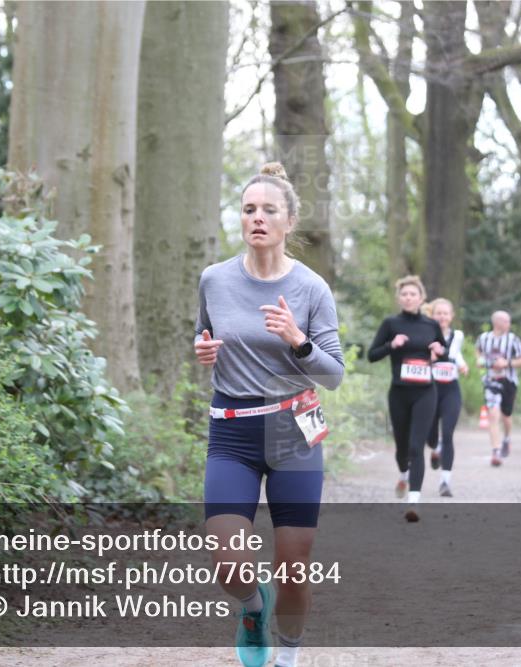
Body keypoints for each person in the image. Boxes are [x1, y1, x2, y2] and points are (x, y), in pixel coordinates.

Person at [194, 162, 344, 667]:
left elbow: (334, 374)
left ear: (289, 221)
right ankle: (253, 608)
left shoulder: (311, 289)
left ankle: (289, 656)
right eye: (249, 209)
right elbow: (203, 332)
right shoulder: (214, 279)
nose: (257, 217)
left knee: (294, 566)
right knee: (228, 564)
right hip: (231, 432)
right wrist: (203, 349)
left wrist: (298, 341)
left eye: (269, 210)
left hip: (293, 432)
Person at [368, 275, 446, 522]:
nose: (408, 298)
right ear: (399, 298)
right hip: (399, 393)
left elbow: (441, 354)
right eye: (404, 294)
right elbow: (372, 355)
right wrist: (393, 344)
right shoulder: (391, 323)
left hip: (425, 392)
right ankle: (403, 475)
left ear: (421, 298)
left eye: (413, 294)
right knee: (402, 448)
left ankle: (414, 502)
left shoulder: (431, 324)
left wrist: (438, 351)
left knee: (416, 446)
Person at [425, 298, 469, 497]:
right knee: (431, 435)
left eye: (445, 313)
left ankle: (445, 482)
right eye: (438, 313)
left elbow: (455, 354)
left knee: (449, 433)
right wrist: (430, 357)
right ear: (432, 316)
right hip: (430, 389)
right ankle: (435, 448)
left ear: (451, 316)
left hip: (451, 389)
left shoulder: (457, 335)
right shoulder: (425, 333)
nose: (442, 317)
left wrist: (462, 364)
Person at [475, 311, 521, 467]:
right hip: (491, 381)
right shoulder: (484, 338)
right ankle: (496, 451)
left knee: (506, 415)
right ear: (497, 322)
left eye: (509, 321)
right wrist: (483, 362)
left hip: (509, 381)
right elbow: (478, 354)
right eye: (506, 321)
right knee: (493, 414)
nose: (509, 324)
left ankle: (507, 438)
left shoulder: (513, 339)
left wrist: (507, 363)